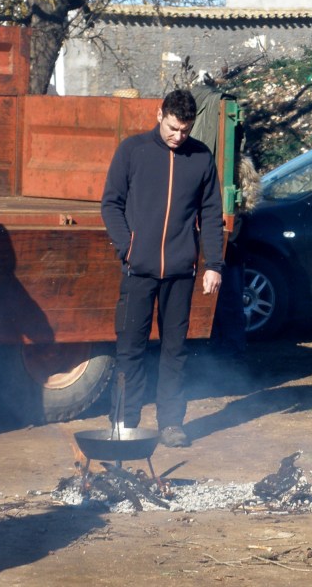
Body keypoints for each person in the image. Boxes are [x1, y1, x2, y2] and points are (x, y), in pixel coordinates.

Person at [101, 90, 224, 447]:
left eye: (185, 130)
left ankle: (171, 423)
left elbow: (212, 214)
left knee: (175, 351)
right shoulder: (132, 150)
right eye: (173, 128)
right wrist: (128, 248)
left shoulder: (201, 157)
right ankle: (124, 423)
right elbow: (111, 204)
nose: (178, 136)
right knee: (130, 350)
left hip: (181, 272)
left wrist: (213, 264)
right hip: (138, 271)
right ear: (160, 115)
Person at [211, 155, 260, 360]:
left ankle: (231, 348)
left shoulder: (236, 210)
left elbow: (233, 235)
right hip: (233, 256)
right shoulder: (242, 205)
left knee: (229, 302)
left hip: (230, 256)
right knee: (231, 302)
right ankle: (232, 347)